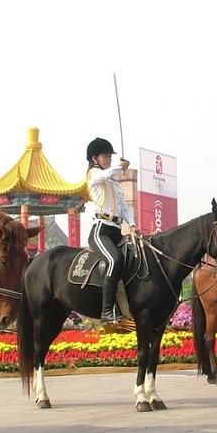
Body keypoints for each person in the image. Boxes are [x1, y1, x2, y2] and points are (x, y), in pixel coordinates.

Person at [85, 137, 139, 324]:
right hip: (101, 231)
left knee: (135, 258)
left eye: (110, 156)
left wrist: (132, 225)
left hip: (117, 230)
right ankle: (107, 311)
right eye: (105, 156)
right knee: (114, 259)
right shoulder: (94, 175)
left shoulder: (113, 182)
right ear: (94, 159)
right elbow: (105, 174)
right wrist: (121, 166)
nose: (108, 159)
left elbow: (124, 208)